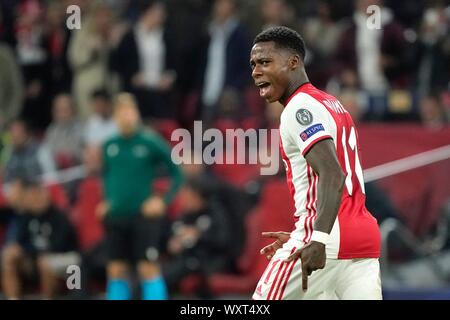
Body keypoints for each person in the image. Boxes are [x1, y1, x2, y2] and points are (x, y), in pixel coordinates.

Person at [249, 26, 381, 300]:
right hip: (362, 242)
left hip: (324, 239)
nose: (256, 72)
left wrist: (317, 238)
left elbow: (333, 173)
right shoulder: (333, 103)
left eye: (264, 62)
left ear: (293, 62)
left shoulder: (298, 108)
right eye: (253, 64)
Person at [97, 93, 183, 300]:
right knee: (116, 269)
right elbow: (106, 175)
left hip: (143, 218)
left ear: (136, 114)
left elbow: (177, 172)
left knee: (148, 267)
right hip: (117, 217)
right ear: (115, 116)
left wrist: (162, 200)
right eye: (121, 111)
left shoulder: (149, 141)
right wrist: (107, 200)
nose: (126, 115)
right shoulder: (109, 145)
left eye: (130, 110)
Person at [1, 179, 79, 299]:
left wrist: (30, 252)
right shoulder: (26, 217)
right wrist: (18, 251)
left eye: (38, 195)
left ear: (46, 195)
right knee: (9, 257)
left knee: (44, 262)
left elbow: (58, 245)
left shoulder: (59, 216)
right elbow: (20, 242)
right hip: (35, 258)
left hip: (64, 258)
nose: (35, 199)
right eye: (32, 196)